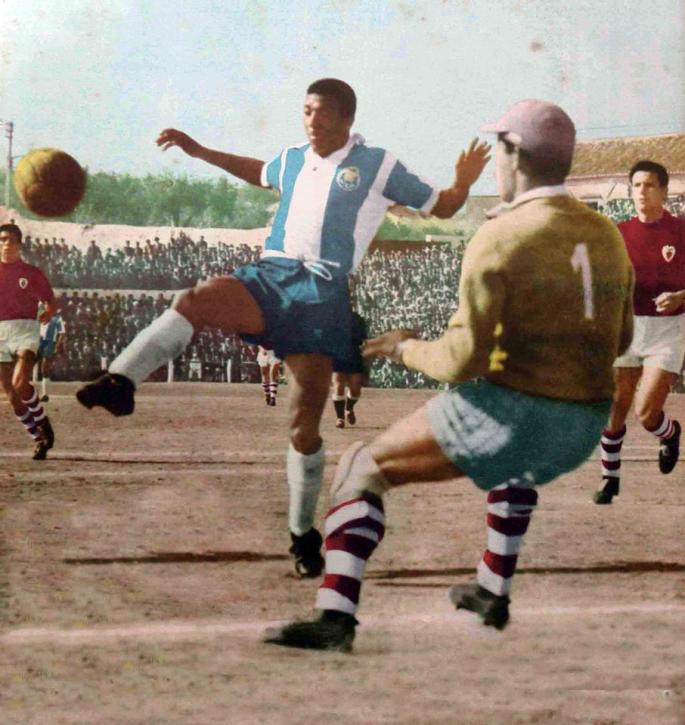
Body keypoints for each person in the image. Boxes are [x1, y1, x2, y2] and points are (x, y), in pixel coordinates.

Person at [75, 78, 490, 577]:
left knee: (303, 425)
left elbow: (441, 206)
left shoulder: (377, 164)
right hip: (270, 275)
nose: (313, 121)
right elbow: (257, 171)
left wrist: (462, 182)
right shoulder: (294, 158)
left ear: (347, 119)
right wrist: (199, 151)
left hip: (321, 292)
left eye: (324, 114)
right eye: (308, 111)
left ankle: (301, 534)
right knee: (195, 300)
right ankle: (121, 381)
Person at [264, 99, 634, 652]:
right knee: (515, 468)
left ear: (514, 155)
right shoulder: (607, 234)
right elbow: (622, 339)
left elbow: (461, 361)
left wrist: (404, 347)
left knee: (362, 468)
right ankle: (491, 588)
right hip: (585, 424)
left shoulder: (501, 233)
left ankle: (335, 615)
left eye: (500, 149)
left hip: (516, 412)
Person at [593, 161, 684, 504]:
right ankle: (609, 479)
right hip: (627, 327)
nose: (642, 192)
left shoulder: (680, 231)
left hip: (667, 331)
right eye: (637, 185)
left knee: (646, 414)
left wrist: (681, 296)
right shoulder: (617, 233)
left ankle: (669, 433)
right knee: (615, 406)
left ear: (664, 191)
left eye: (649, 185)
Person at [0, 223, 57, 460]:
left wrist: (48, 313)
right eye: (2, 240)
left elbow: (50, 301)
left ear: (19, 244)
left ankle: (43, 422)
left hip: (25, 330)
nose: (6, 244)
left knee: (21, 383)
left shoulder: (32, 273)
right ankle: (38, 438)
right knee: (11, 394)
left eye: (11, 240)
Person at [332, 310, 368, 428]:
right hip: (337, 355)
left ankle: (349, 408)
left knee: (355, 388)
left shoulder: (357, 319)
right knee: (338, 384)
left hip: (354, 355)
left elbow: (363, 340)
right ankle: (340, 418)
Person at [36, 309, 66, 402]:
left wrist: (58, 345)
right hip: (38, 342)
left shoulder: (57, 319)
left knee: (45, 368)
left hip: (49, 343)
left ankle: (45, 394)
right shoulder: (39, 317)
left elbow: (62, 333)